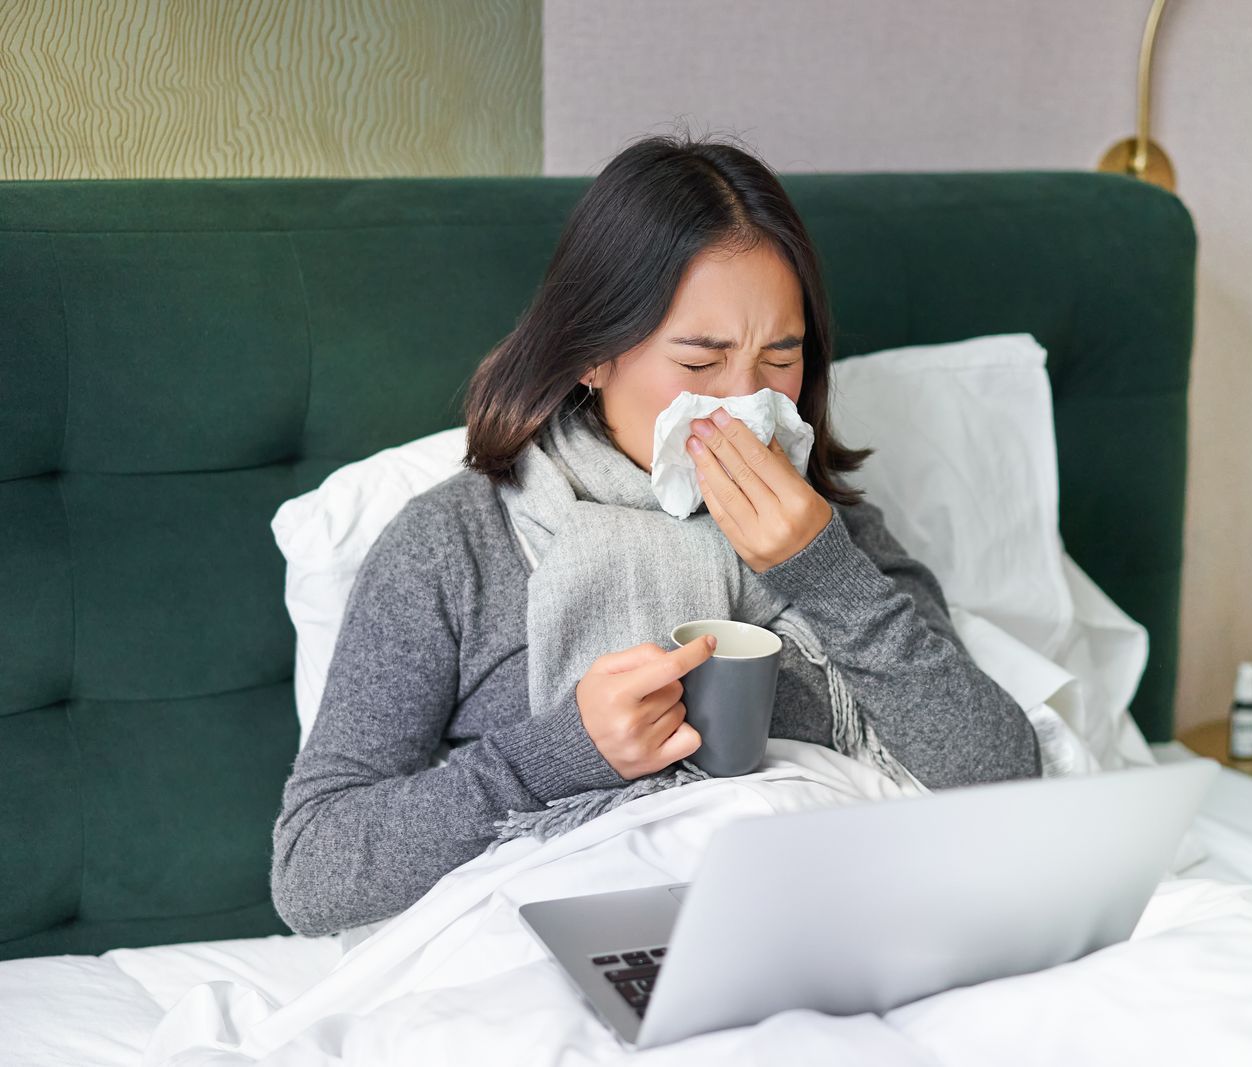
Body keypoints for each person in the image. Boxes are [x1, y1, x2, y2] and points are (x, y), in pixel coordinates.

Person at [270, 133, 1042, 939]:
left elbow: (1003, 779)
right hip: (570, 948)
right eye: (702, 363)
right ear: (593, 354)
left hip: (829, 924)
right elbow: (312, 872)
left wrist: (823, 571)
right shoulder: (453, 547)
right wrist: (558, 752)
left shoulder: (828, 533)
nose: (743, 402)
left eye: (780, 358)